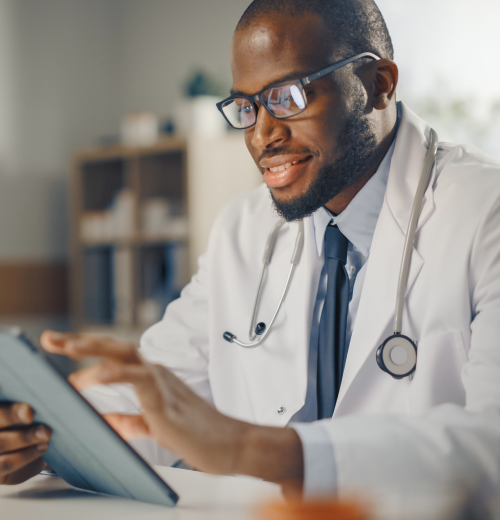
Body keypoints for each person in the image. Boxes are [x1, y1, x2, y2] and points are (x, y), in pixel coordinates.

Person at [1, 0, 500, 503]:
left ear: (379, 84)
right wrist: (38, 435)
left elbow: (491, 448)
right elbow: (157, 393)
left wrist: (250, 449)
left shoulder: (484, 213)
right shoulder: (242, 230)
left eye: (289, 96)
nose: (262, 133)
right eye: (247, 106)